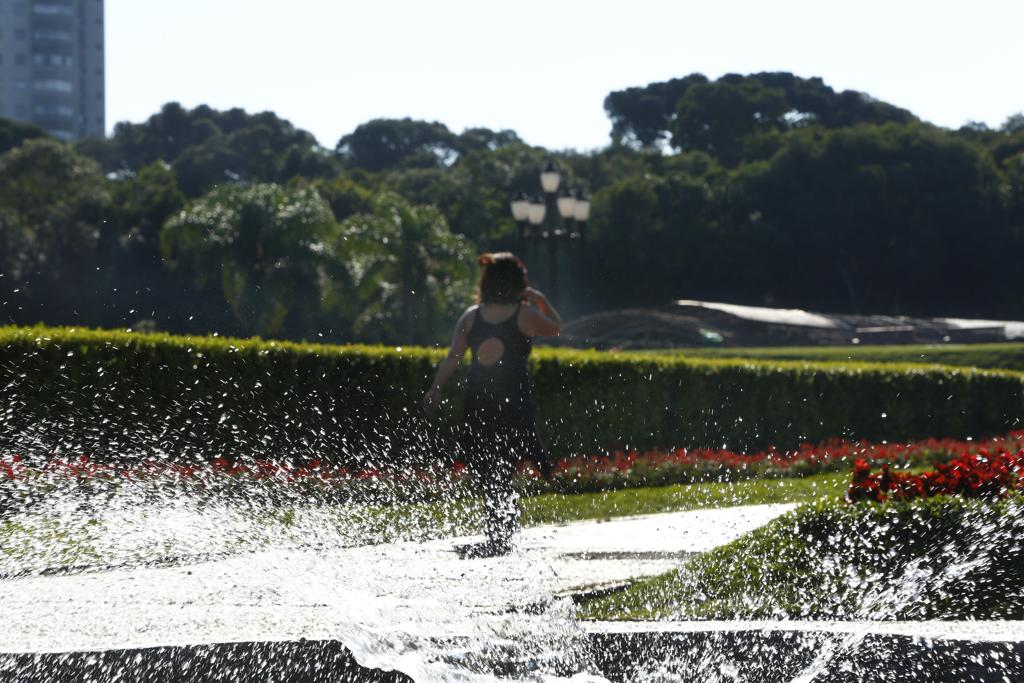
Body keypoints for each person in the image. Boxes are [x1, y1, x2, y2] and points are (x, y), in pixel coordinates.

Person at [423, 252, 562, 558]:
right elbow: (555, 326)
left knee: (487, 461)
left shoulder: (472, 316)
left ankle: (499, 515)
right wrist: (539, 298)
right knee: (505, 458)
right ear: (518, 283)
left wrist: (436, 388)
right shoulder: (524, 314)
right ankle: (503, 514)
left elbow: (453, 357)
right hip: (513, 399)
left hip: (479, 399)